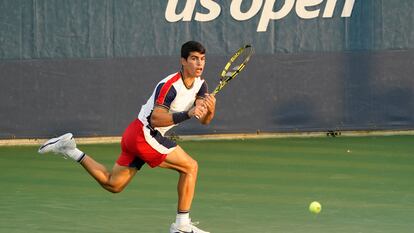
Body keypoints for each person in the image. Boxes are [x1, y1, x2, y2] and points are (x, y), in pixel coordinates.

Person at [38, 41, 216, 233]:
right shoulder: (170, 86)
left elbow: (203, 119)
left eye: (203, 59)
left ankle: (70, 149)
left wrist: (209, 109)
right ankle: (181, 225)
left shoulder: (201, 85)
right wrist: (188, 113)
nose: (199, 64)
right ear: (183, 61)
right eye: (194, 59)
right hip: (144, 133)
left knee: (113, 184)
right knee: (190, 167)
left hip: (136, 134)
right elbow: (156, 118)